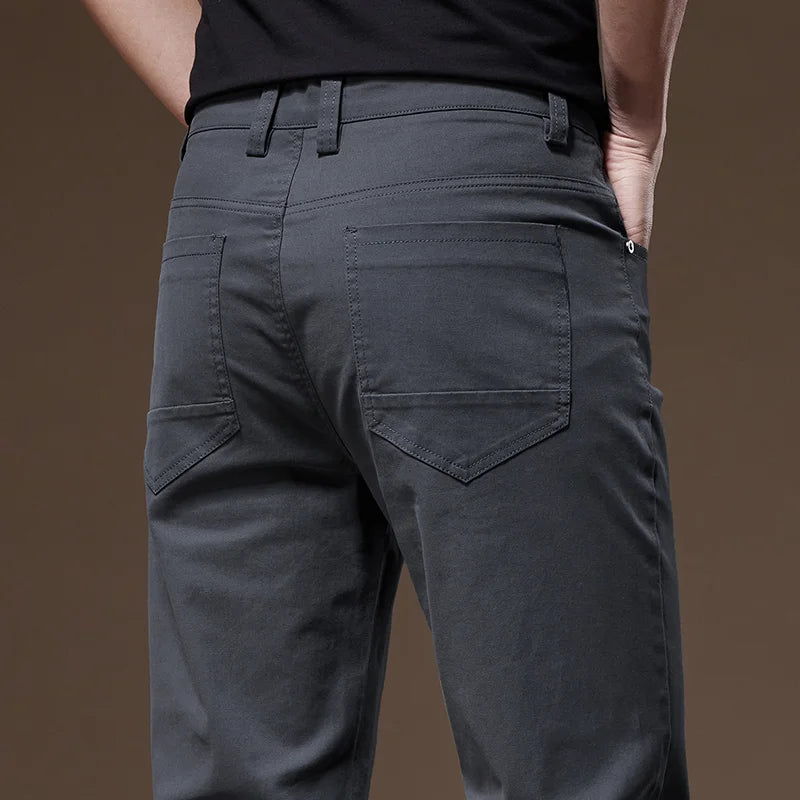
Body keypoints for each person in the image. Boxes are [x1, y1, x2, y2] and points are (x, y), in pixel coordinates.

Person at [83, 1, 691, 798]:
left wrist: (234, 104)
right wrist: (636, 121)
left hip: (225, 205)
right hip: (471, 171)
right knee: (576, 772)